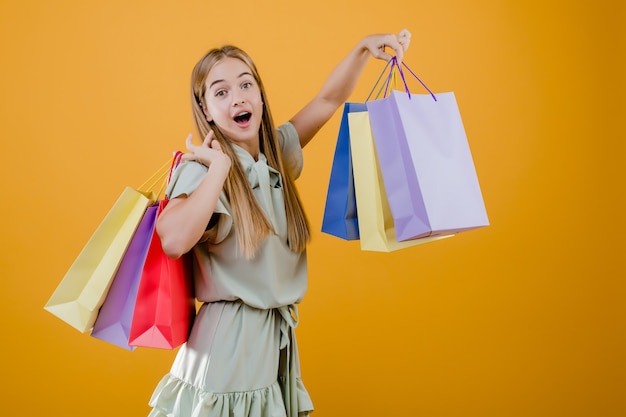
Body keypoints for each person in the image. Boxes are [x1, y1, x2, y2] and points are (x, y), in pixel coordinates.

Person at [148, 29, 411, 417]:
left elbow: (327, 101)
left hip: (271, 339)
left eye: (246, 84)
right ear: (205, 110)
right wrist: (219, 167)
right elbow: (171, 240)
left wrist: (362, 50)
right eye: (220, 92)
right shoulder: (203, 168)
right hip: (231, 347)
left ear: (259, 95)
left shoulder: (274, 154)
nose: (237, 96)